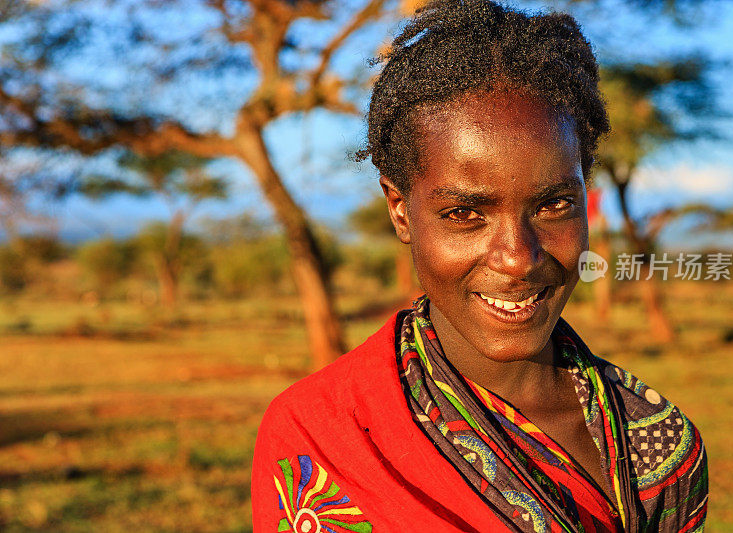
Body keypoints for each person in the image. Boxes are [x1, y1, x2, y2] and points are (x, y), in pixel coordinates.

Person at [251, 1, 708, 531]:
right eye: (464, 214)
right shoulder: (320, 435)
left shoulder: (657, 444)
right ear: (401, 211)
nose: (517, 257)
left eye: (553, 204)